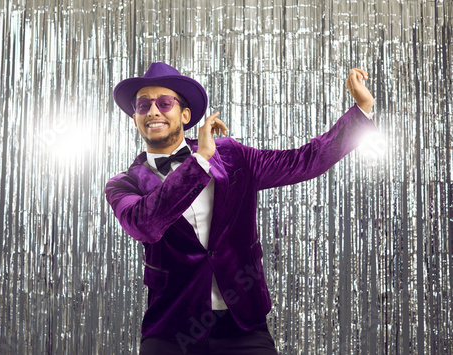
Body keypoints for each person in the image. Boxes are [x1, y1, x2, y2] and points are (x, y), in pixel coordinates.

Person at [105, 62, 376, 354]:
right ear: (135, 118)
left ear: (184, 114)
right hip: (171, 330)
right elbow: (146, 224)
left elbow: (305, 161)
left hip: (243, 325)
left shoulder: (233, 156)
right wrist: (200, 161)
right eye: (143, 105)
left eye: (164, 102)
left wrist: (362, 109)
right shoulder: (123, 184)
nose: (153, 111)